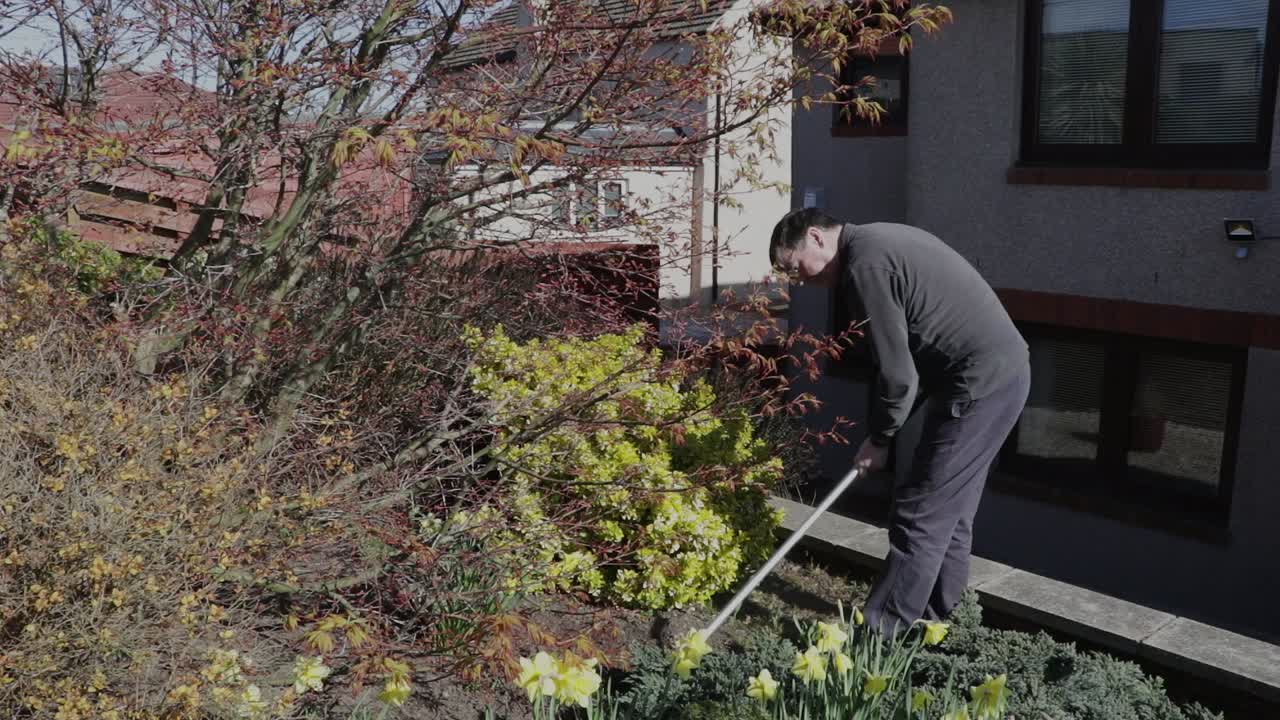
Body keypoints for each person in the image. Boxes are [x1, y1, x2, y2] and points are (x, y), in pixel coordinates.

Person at [769, 208, 1030, 634]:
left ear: (816, 237)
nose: (798, 280)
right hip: (995, 376)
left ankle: (880, 637)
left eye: (794, 267)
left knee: (920, 513)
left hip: (981, 383)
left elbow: (898, 374)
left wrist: (881, 438)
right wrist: (886, 431)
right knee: (949, 513)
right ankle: (939, 625)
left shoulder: (866, 265)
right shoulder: (879, 241)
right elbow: (920, 349)